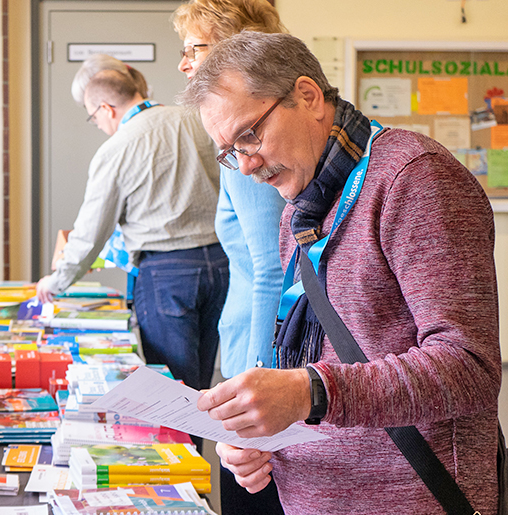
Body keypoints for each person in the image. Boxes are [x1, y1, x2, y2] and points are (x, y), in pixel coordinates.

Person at [181, 31, 500, 514]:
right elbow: (308, 360)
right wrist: (260, 433)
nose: (245, 166)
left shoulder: (415, 179)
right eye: (229, 151)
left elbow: (468, 367)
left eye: (249, 135)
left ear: (307, 96)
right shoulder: (301, 209)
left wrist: (312, 392)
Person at [37, 60, 227, 401]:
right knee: (202, 382)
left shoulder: (117, 147)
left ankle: (185, 454)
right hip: (221, 264)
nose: (97, 126)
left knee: (174, 391)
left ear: (106, 108)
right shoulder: (196, 119)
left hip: (167, 275)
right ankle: (205, 452)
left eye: (94, 117)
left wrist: (56, 281)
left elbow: (90, 232)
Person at [171, 1, 287, 512]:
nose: (183, 63)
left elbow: (272, 270)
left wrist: (253, 384)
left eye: (193, 48)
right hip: (250, 353)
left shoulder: (252, 141)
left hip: (257, 365)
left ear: (231, 46)